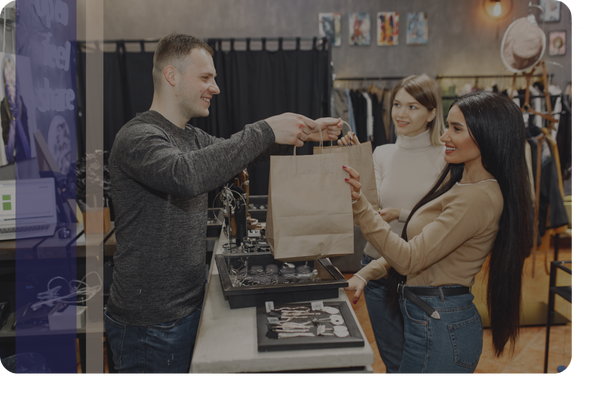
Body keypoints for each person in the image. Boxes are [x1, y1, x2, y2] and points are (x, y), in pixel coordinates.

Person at [104, 33, 342, 376]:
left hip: (186, 309)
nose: (214, 88)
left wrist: (304, 130)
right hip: (149, 327)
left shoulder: (191, 135)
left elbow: (237, 153)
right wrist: (265, 129)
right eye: (205, 78)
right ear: (172, 76)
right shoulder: (137, 137)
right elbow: (186, 175)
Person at [343, 91, 532, 376]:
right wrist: (367, 273)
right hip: (429, 318)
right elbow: (421, 248)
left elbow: (409, 259)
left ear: (488, 135)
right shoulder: (461, 182)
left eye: (456, 129)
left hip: (440, 324)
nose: (444, 137)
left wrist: (360, 206)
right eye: (448, 126)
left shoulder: (478, 198)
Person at [337, 74, 446, 376]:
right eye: (397, 104)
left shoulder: (444, 157)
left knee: (417, 363)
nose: (400, 113)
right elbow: (368, 212)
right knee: (392, 361)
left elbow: (443, 219)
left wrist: (400, 213)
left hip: (419, 271)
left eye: (413, 107)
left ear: (432, 113)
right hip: (376, 266)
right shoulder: (382, 153)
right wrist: (355, 157)